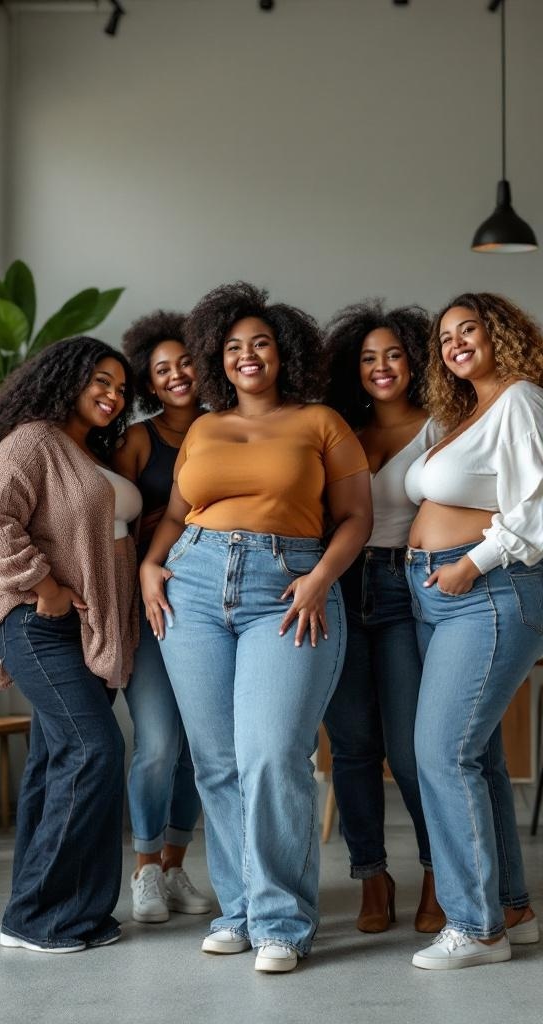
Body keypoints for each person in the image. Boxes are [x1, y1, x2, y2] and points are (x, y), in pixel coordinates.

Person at [140, 282, 372, 972]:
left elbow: (356, 517)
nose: (247, 355)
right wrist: (150, 565)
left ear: (284, 352)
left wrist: (321, 577)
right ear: (218, 358)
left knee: (272, 753)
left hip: (289, 587)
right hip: (193, 585)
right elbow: (177, 515)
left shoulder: (321, 422)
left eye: (261, 342)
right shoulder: (205, 428)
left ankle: (281, 923)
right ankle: (239, 911)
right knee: (217, 762)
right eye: (233, 346)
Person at [0, 337, 142, 953]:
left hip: (82, 627)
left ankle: (63, 914)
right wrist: (46, 586)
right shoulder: (32, 440)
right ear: (66, 378)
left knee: (52, 763)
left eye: (121, 387)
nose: (112, 395)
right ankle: (39, 917)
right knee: (94, 749)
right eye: (100, 380)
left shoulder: (87, 449)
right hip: (34, 620)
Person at [403, 293, 543, 970]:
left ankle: (476, 929)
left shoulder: (520, 399)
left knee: (441, 754)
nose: (456, 342)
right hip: (440, 592)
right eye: (446, 336)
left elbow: (539, 506)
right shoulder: (465, 414)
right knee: (477, 757)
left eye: (470, 329)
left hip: (488, 588)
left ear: (501, 334)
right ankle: (511, 908)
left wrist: (471, 564)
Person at [322, 300, 445, 934]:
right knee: (352, 746)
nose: (382, 367)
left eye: (394, 354)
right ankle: (372, 874)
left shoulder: (440, 426)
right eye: (369, 357)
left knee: (410, 748)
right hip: (339, 586)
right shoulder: (341, 429)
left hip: (406, 587)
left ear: (415, 361)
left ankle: (437, 871)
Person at [113, 310, 210, 922]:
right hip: (148, 605)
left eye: (185, 362)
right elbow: (114, 520)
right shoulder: (140, 439)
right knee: (157, 742)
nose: (177, 375)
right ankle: (145, 869)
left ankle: (174, 866)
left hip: (208, 604)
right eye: (162, 369)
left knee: (199, 748)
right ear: (148, 382)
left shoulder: (224, 427)